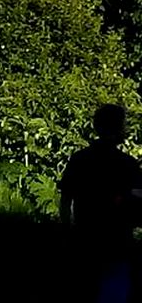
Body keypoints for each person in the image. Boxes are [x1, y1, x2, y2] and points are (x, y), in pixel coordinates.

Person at [59, 104, 142, 303]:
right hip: (117, 243)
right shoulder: (128, 164)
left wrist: (68, 231)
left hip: (85, 240)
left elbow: (65, 200)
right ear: (119, 128)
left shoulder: (79, 159)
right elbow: (138, 203)